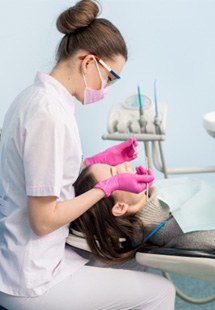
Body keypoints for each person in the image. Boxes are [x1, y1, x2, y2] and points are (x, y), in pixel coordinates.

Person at [0, 0, 176, 309]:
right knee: (161, 291)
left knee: (134, 266)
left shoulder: (38, 99)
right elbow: (43, 221)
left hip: (32, 259)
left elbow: (45, 173)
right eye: (109, 78)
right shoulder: (48, 115)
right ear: (88, 62)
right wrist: (105, 187)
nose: (106, 89)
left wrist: (98, 162)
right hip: (32, 279)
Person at [71, 161, 215, 263]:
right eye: (115, 173)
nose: (125, 164)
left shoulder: (158, 198)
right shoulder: (178, 229)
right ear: (120, 207)